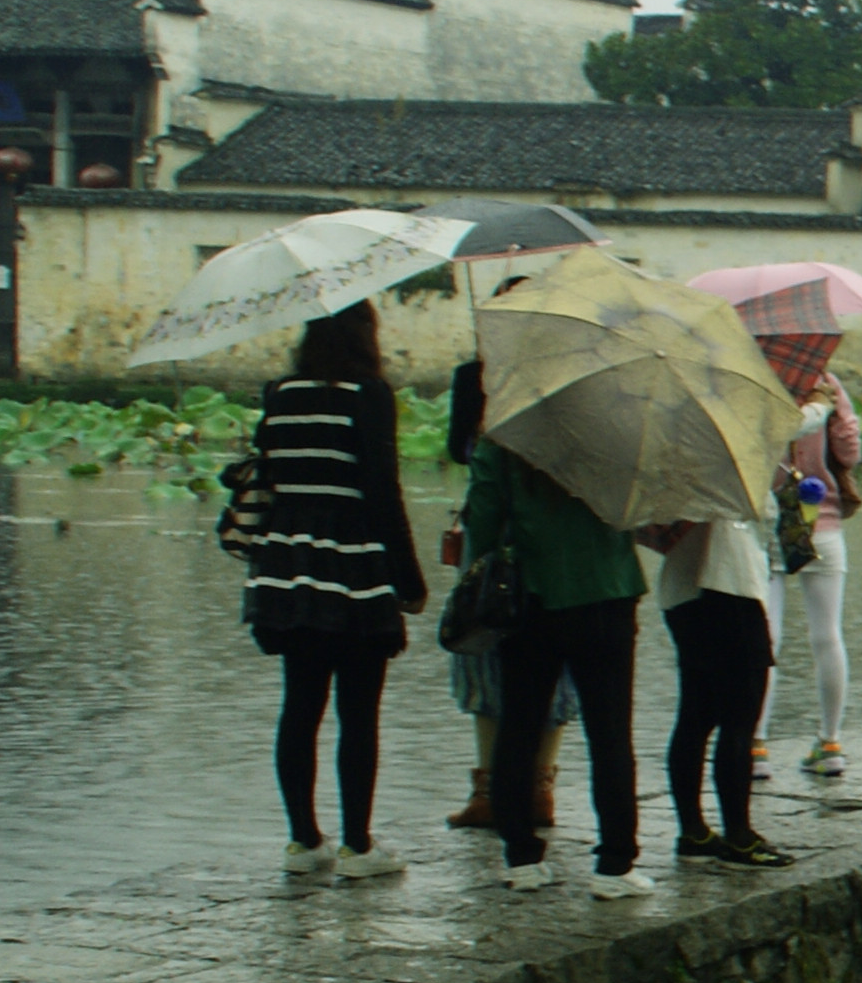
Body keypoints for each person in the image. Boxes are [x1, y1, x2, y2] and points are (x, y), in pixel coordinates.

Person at [240, 301, 426, 879]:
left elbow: (266, 475)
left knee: (299, 705)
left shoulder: (280, 393)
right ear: (363, 334)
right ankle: (357, 846)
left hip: (288, 565)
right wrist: (409, 579)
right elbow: (381, 490)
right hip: (352, 567)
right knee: (358, 711)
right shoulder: (368, 393)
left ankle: (303, 842)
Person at [463, 429, 651, 895]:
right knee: (610, 733)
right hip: (606, 592)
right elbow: (640, 511)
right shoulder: (614, 434)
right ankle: (615, 864)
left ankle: (521, 857)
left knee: (519, 726)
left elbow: (481, 525)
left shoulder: (503, 440)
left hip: (531, 597)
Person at [440, 350, 580, 830]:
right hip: (535, 542)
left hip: (512, 540)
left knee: (493, 655)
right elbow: (459, 448)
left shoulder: (563, 382)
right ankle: (520, 790)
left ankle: (518, 790)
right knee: (488, 648)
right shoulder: (477, 377)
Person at [642, 513, 793, 869]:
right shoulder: (719, 471)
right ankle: (739, 835)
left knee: (695, 714)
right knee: (740, 719)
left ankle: (692, 830)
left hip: (682, 591)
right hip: (730, 585)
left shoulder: (674, 474)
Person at [776, 367, 862, 778]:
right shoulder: (823, 380)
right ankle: (830, 742)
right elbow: (849, 453)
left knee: (766, 639)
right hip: (822, 520)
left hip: (770, 524)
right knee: (827, 636)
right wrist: (831, 409)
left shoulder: (752, 377)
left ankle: (755, 747)